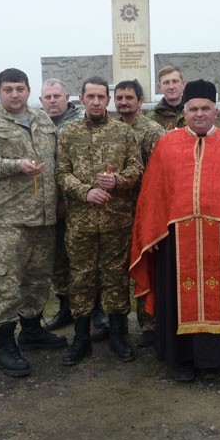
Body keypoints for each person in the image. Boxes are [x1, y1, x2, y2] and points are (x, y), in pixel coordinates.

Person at [130, 79, 220, 382]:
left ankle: (216, 359)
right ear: (184, 111)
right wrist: (150, 232)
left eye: (205, 108)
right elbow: (153, 193)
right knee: (176, 297)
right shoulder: (166, 144)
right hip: (175, 239)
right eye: (193, 108)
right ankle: (181, 359)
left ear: (215, 111)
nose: (199, 114)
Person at [0, 68, 67, 378]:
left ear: (28, 90)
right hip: (5, 221)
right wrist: (14, 165)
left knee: (37, 278)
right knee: (4, 282)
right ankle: (5, 345)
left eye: (20, 88)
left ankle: (32, 331)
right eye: (8, 89)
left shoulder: (41, 120)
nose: (14, 94)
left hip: (43, 218)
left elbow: (57, 160)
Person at [56, 77, 144, 364]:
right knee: (80, 278)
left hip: (116, 221)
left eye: (101, 97)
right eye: (90, 96)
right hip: (80, 222)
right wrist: (86, 191)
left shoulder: (123, 132)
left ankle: (119, 335)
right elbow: (61, 174)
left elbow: (137, 169)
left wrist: (117, 180)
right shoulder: (68, 134)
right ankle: (81, 338)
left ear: (108, 100)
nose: (95, 101)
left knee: (116, 277)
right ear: (81, 99)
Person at [113, 79, 165, 348]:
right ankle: (117, 323)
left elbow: (159, 175)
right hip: (115, 212)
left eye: (129, 97)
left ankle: (149, 323)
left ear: (140, 101)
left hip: (144, 210)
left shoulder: (152, 131)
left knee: (146, 265)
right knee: (118, 269)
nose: (123, 102)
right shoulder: (110, 130)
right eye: (119, 97)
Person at [38, 79, 89, 332]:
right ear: (40, 100)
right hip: (47, 206)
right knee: (57, 261)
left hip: (78, 205)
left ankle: (94, 310)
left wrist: (68, 201)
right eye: (47, 97)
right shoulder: (34, 124)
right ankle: (66, 307)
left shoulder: (82, 122)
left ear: (68, 96)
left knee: (83, 259)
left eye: (57, 96)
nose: (52, 101)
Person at [145, 65, 186, 130]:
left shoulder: (194, 112)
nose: (171, 87)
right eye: (166, 83)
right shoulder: (151, 117)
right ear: (159, 87)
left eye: (175, 81)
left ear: (183, 84)